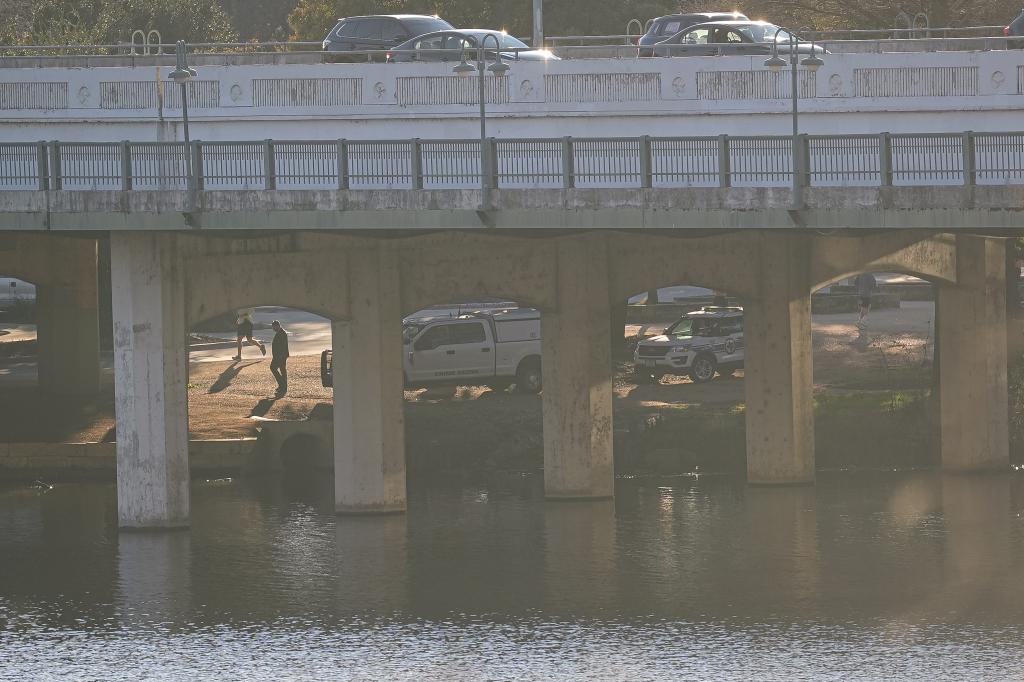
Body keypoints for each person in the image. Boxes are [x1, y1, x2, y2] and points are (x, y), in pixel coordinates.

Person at [270, 320, 289, 397]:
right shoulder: (281, 332)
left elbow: (283, 346)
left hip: (280, 356)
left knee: (273, 368)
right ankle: (283, 386)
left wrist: (280, 356)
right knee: (282, 370)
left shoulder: (282, 333)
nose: (273, 329)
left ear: (277, 326)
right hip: (280, 355)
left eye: (274, 327)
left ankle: (282, 384)